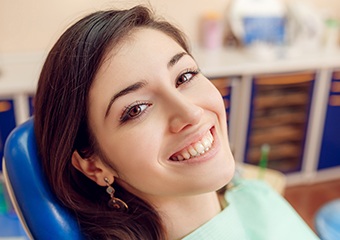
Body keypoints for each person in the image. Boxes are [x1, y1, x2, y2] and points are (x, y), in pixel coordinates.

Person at [33, 5, 319, 240]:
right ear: (94, 166)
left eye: (185, 77)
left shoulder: (251, 193)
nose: (192, 114)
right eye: (136, 109)